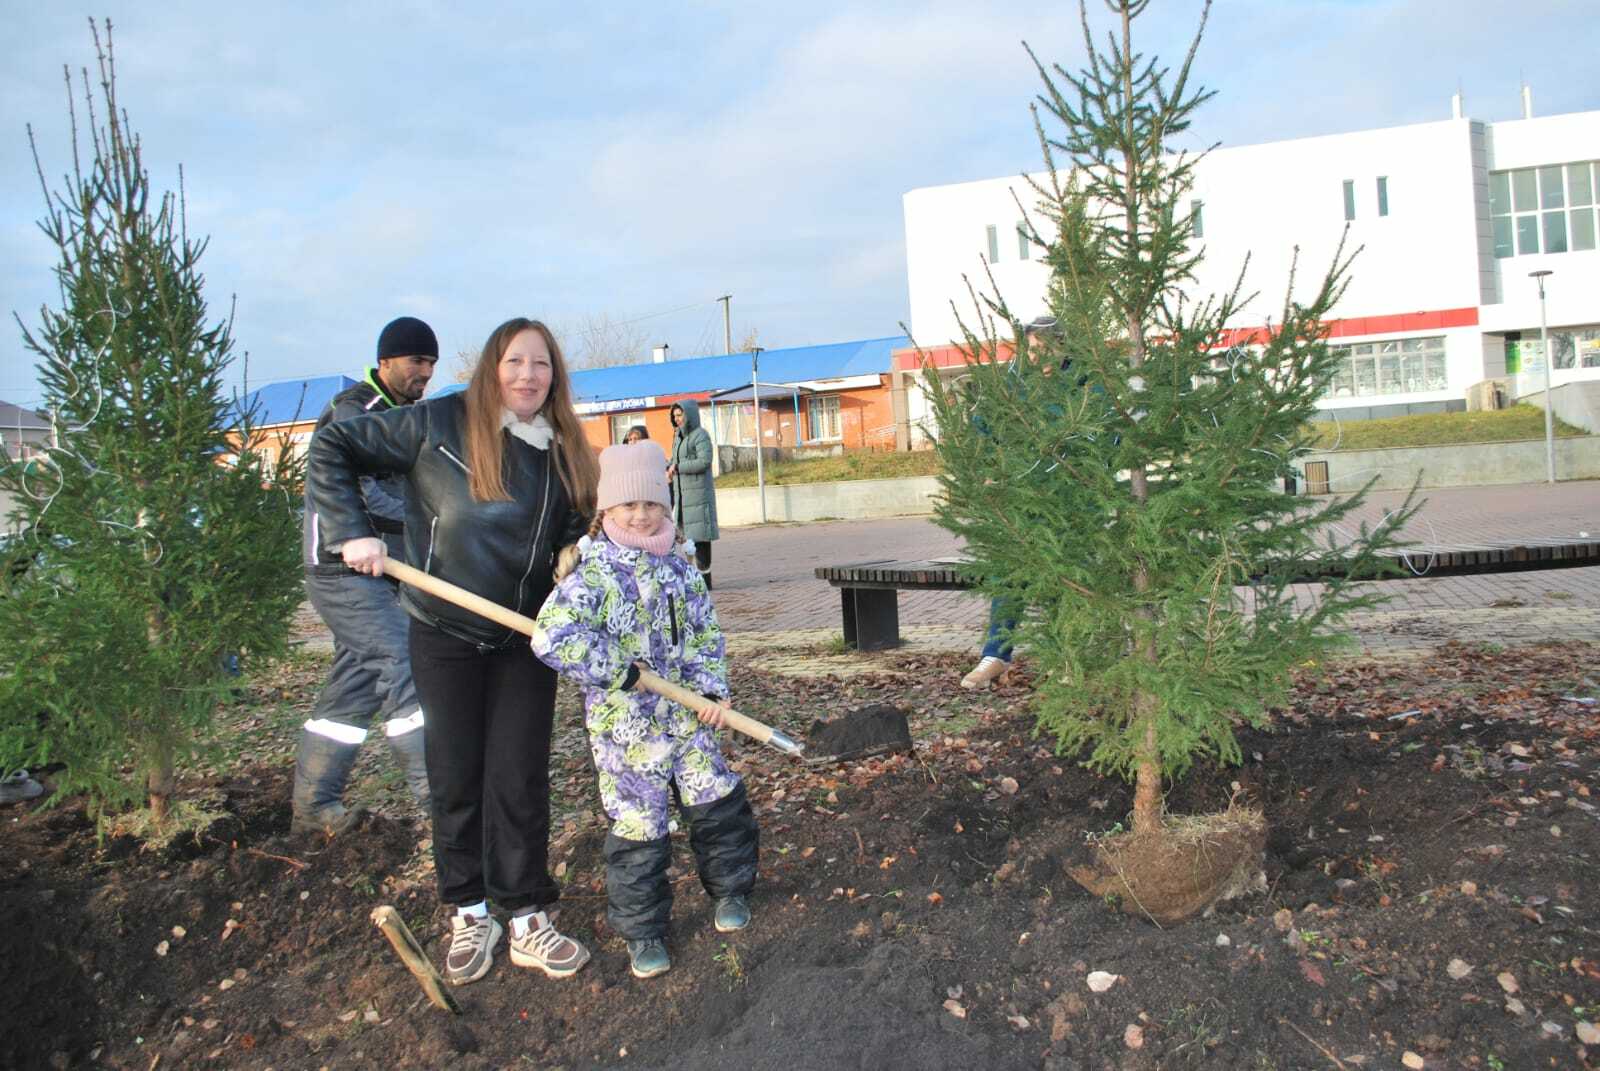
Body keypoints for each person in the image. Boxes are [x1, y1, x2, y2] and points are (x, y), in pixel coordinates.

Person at [306, 317, 599, 985]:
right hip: (443, 632)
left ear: (555, 377)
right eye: (516, 361)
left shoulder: (561, 448)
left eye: (542, 364)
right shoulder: (438, 423)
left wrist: (571, 550)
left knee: (520, 777)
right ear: (493, 365)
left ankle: (526, 915)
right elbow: (331, 448)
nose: (528, 374)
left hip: (524, 635)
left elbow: (575, 519)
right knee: (455, 777)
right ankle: (471, 911)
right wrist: (353, 531)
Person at [531, 441, 758, 980]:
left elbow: (705, 633)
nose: (640, 514)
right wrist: (617, 668)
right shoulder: (591, 574)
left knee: (716, 802)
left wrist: (711, 688)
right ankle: (644, 931)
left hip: (689, 717)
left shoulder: (680, 565)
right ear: (605, 511)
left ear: (665, 505)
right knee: (639, 825)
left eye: (651, 504)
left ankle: (731, 893)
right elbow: (550, 638)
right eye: (627, 505)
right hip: (625, 729)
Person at [293, 316, 439, 836]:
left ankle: (314, 808)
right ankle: (440, 806)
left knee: (352, 689)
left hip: (381, 569)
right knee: (404, 662)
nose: (424, 372)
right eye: (415, 362)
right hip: (340, 567)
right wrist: (428, 517)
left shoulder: (407, 412)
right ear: (385, 362)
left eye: (430, 363)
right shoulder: (357, 412)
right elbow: (364, 494)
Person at [666, 399, 718, 589]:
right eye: (675, 416)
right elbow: (674, 459)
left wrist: (678, 467)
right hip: (683, 496)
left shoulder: (700, 435)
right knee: (689, 538)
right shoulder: (679, 437)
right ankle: (694, 579)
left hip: (698, 495)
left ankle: (705, 580)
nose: (677, 419)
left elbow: (705, 461)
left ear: (689, 415)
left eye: (680, 415)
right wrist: (667, 466)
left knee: (701, 539)